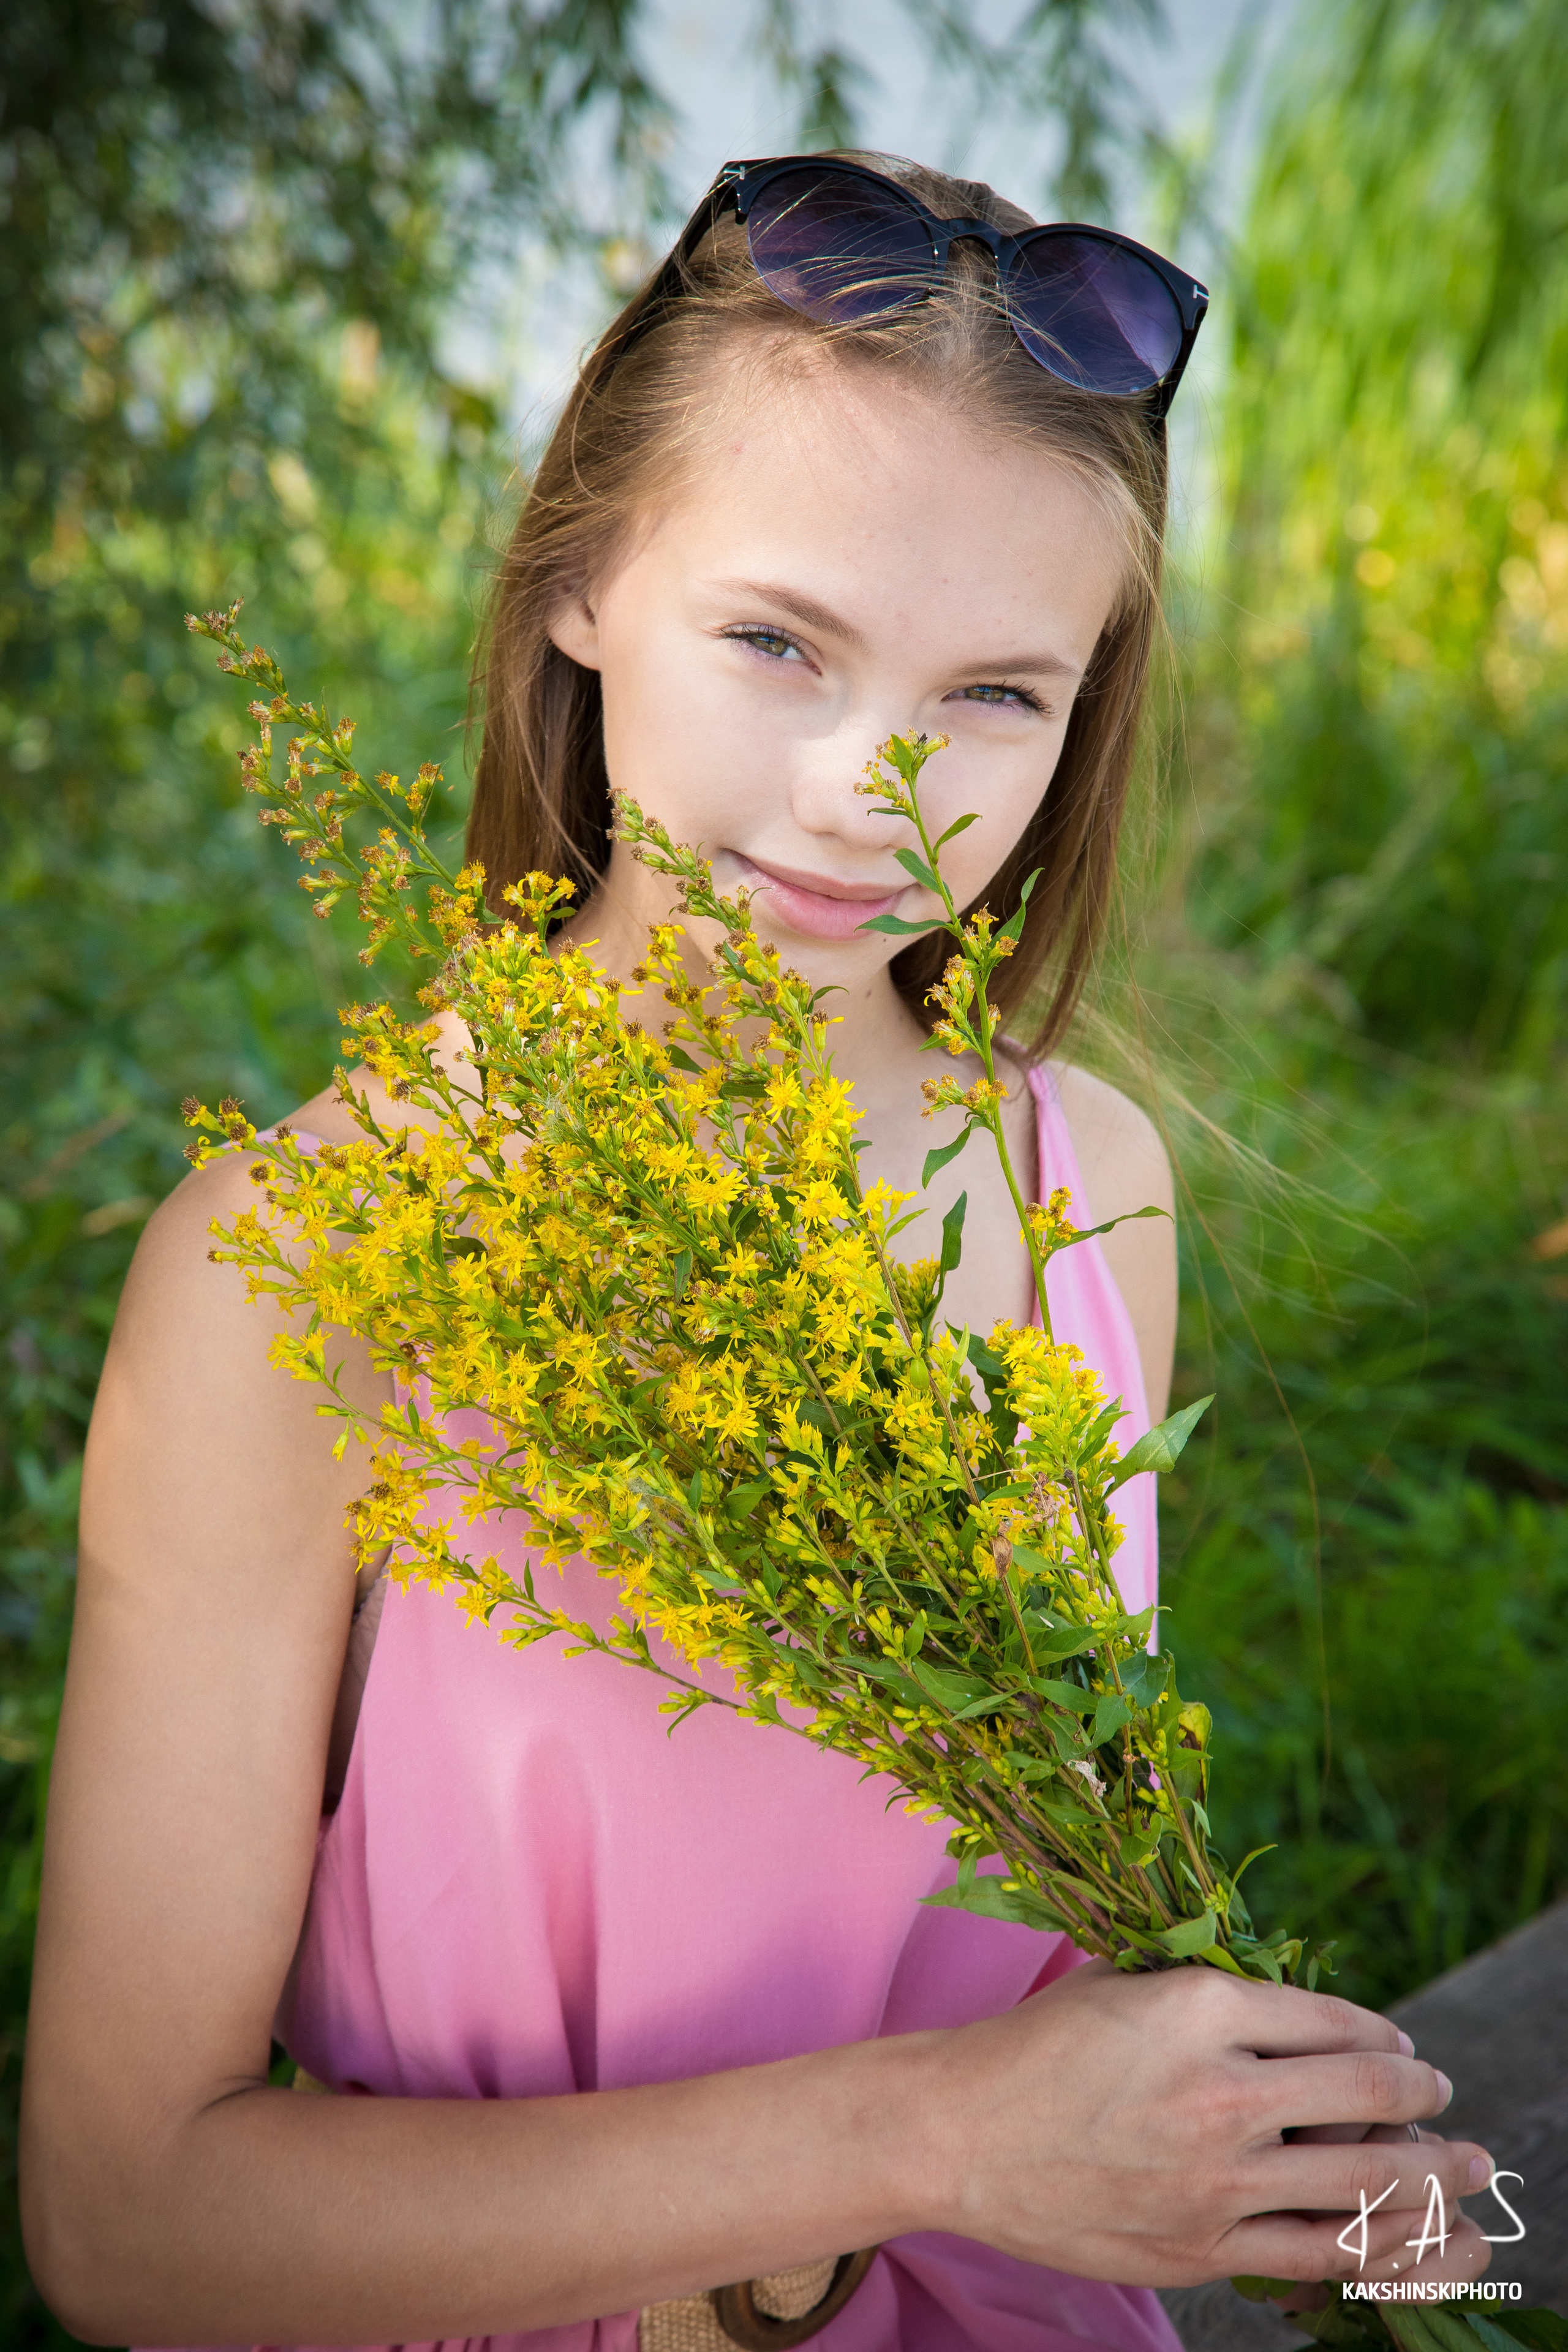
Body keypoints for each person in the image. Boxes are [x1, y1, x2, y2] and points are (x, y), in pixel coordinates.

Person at [22, 153, 1494, 2352]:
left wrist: (1348, 2219)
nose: (863, 788)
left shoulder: (1082, 1176)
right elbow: (128, 2224)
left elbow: (1057, 1953)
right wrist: (933, 2139)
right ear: (582, 581)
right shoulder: (294, 1268)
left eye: (1000, 696)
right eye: (778, 642)